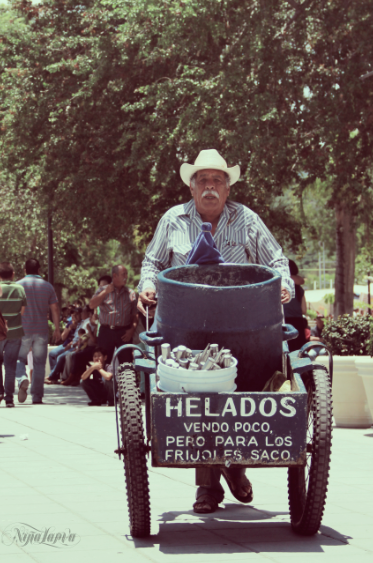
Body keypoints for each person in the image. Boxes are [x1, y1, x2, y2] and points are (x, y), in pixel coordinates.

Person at [137, 149, 294, 515]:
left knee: (239, 392)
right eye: (203, 181)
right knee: (200, 397)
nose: (210, 187)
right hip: (186, 326)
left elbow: (276, 260)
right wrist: (146, 285)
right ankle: (207, 489)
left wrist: (283, 283)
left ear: (227, 189)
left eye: (217, 181)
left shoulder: (248, 220)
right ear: (192, 189)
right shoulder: (173, 220)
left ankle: (233, 466)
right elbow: (152, 262)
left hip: (244, 326)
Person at [15, 258, 61, 404]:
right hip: (41, 330)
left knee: (19, 358)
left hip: (22, 330)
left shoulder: (18, 286)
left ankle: (22, 378)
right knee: (39, 363)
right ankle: (37, 396)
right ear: (39, 270)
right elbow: (55, 308)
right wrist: (57, 328)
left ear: (24, 270)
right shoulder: (47, 286)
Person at [89, 265, 138, 364]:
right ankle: (102, 380)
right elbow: (91, 305)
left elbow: (135, 315)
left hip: (124, 333)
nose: (126, 277)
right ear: (115, 276)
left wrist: (132, 330)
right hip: (106, 331)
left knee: (126, 363)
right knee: (102, 363)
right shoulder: (102, 290)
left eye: (126, 274)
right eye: (123, 274)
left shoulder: (131, 293)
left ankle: (125, 380)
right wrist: (105, 292)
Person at [0, 262, 27, 407]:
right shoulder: (20, 289)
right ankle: (9, 399)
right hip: (15, 333)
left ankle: (0, 392)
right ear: (13, 274)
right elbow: (22, 312)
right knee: (10, 366)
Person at [45, 308, 82, 383]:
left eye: (76, 314)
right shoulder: (70, 323)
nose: (74, 316)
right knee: (52, 354)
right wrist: (69, 328)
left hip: (73, 346)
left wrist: (71, 344)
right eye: (72, 315)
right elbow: (62, 337)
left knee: (61, 356)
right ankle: (55, 377)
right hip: (65, 345)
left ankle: (52, 376)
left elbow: (79, 338)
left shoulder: (81, 324)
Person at [283, 259, 307, 352]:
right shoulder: (299, 289)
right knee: (299, 353)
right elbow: (304, 310)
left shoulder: (280, 286)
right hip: (298, 322)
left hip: (285, 322)